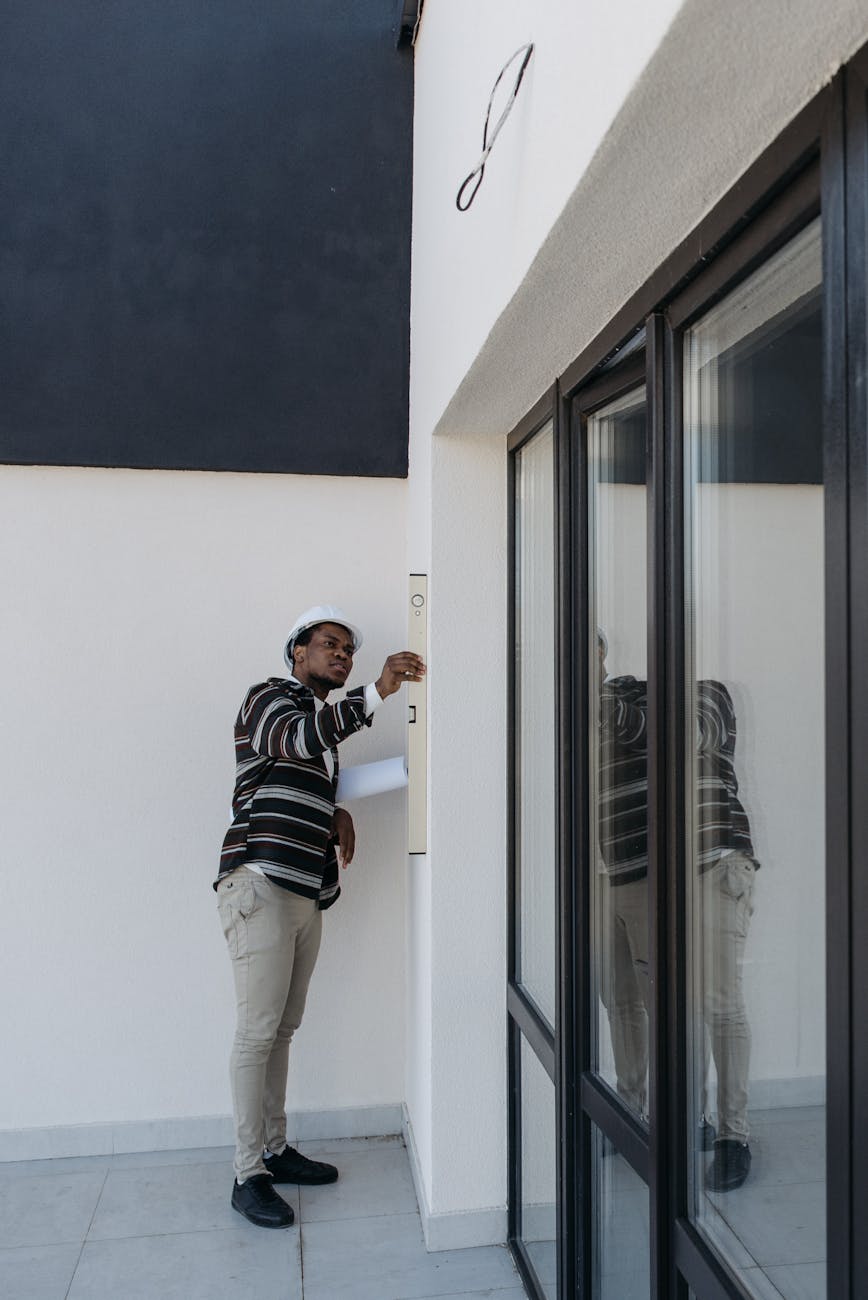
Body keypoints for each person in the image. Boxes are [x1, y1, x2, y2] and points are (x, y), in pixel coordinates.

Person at [214, 604, 425, 1228]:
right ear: (297, 653)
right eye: (329, 645)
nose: (342, 655)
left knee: (280, 1030)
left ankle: (275, 1151)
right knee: (257, 1032)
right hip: (259, 883)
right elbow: (299, 741)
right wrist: (380, 690)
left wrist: (334, 806)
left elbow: (305, 769)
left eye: (348, 650)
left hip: (304, 891)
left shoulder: (317, 733)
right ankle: (246, 1172)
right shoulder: (270, 700)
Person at [597, 632, 758, 1192]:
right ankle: (636, 1113)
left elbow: (670, 736)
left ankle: (731, 1135)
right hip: (622, 875)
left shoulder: (707, 694)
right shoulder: (605, 705)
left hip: (708, 864)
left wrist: (593, 699)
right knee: (624, 1002)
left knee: (717, 1003)